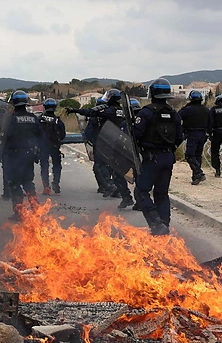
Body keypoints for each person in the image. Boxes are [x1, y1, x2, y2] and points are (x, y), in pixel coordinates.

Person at [131, 78, 183, 235]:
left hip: (151, 159)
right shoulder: (174, 114)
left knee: (141, 191)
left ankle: (156, 223)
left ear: (152, 93)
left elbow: (136, 135)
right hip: (168, 158)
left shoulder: (146, 113)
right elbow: (180, 137)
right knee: (162, 193)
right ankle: (164, 225)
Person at [68, 89, 133, 208]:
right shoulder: (123, 111)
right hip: (121, 144)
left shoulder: (109, 111)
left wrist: (75, 110)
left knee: (102, 165)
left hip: (109, 144)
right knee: (117, 171)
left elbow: (91, 112)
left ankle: (120, 192)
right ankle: (125, 196)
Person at [3, 90, 43, 220]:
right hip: (29, 155)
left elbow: (6, 136)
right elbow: (40, 135)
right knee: (28, 182)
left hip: (15, 156)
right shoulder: (33, 118)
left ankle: (19, 212)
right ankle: (36, 208)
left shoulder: (12, 119)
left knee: (14, 184)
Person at [178, 90, 210, 185]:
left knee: (189, 155)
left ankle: (199, 173)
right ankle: (196, 176)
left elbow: (177, 116)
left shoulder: (188, 109)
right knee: (197, 155)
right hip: (203, 135)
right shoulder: (206, 110)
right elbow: (211, 123)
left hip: (192, 134)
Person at [39, 98, 66, 195]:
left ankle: (46, 187)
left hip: (43, 146)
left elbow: (34, 132)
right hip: (55, 146)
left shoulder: (40, 119)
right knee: (57, 165)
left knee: (44, 166)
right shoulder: (57, 120)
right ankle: (56, 183)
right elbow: (63, 135)